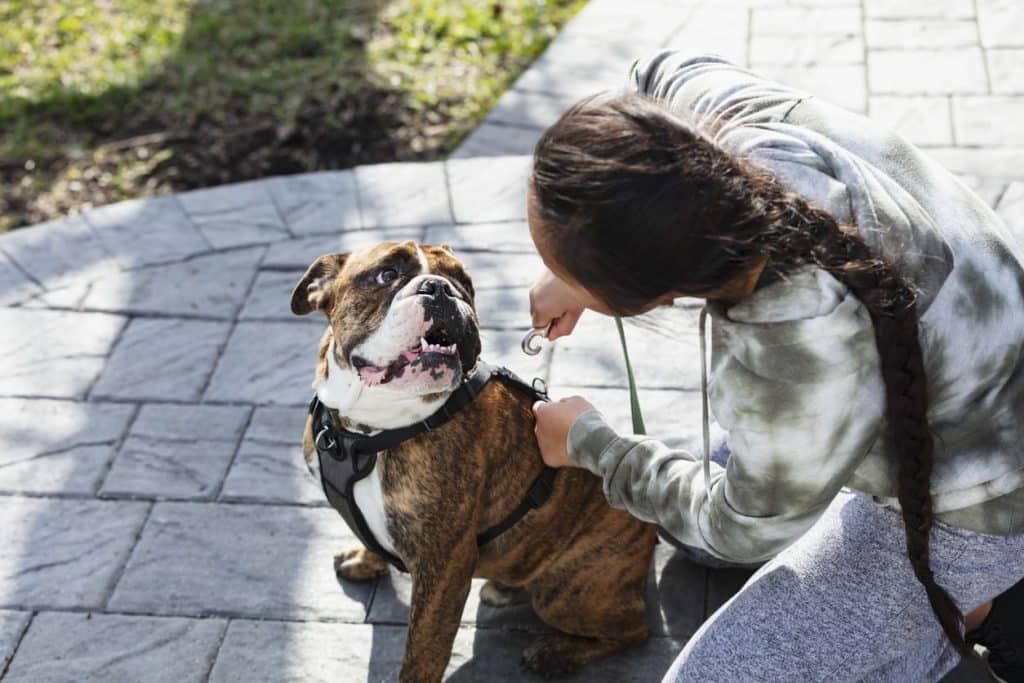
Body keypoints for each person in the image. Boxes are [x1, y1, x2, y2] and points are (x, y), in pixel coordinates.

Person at [527, 50, 1024, 682]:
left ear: (652, 292)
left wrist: (594, 445)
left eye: (573, 273)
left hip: (973, 506)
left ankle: (970, 612)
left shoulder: (799, 347)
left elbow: (740, 527)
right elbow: (654, 69)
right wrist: (579, 262)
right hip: (969, 390)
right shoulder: (720, 128)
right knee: (688, 522)